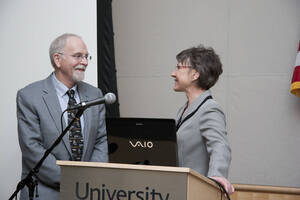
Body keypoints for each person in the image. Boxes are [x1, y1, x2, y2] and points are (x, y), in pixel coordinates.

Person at [16, 33, 108, 199]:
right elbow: (32, 148)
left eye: (87, 57)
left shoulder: (95, 94)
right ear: (57, 60)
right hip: (45, 193)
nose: (85, 62)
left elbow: (100, 140)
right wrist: (72, 180)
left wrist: (92, 179)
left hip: (87, 192)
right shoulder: (29, 96)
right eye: (78, 56)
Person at [171, 45, 234, 195]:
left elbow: (220, 145)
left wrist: (217, 175)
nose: (173, 73)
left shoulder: (210, 109)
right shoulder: (184, 109)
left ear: (195, 74)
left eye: (179, 68)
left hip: (197, 193)